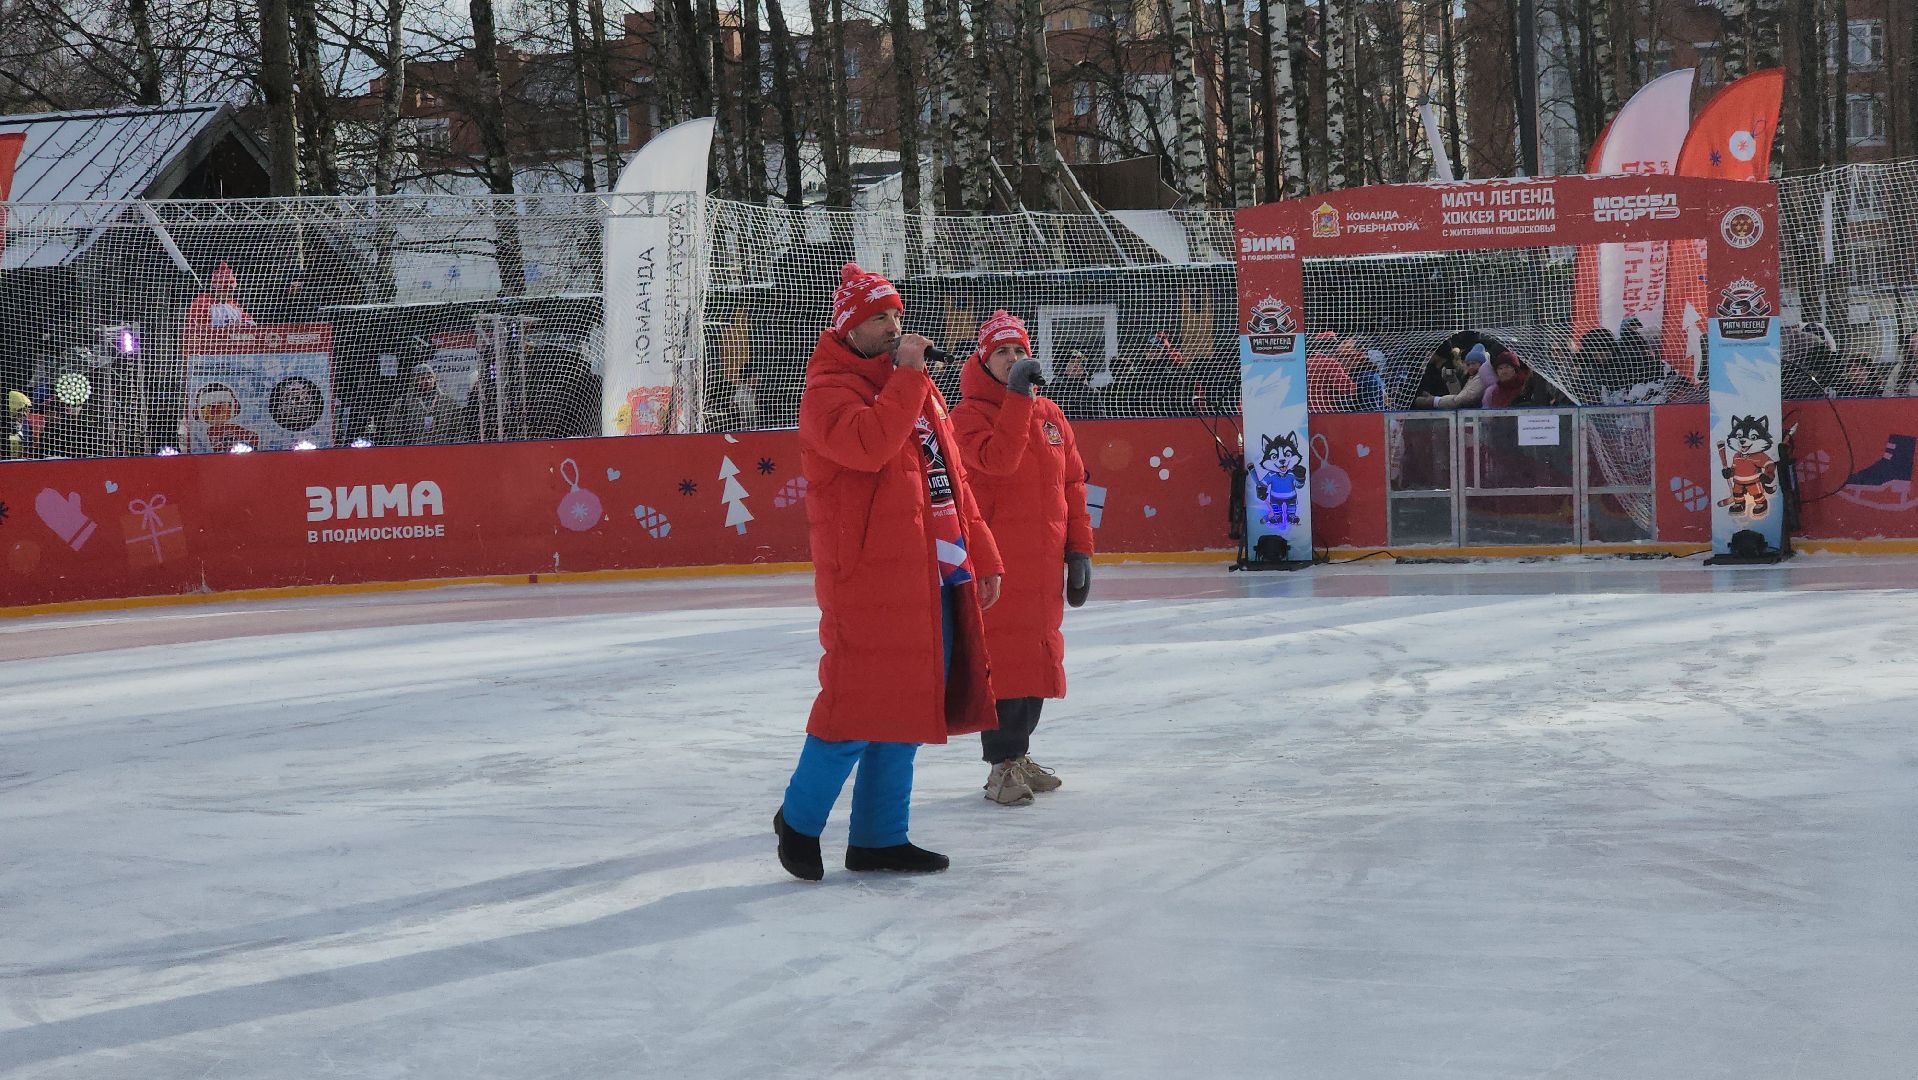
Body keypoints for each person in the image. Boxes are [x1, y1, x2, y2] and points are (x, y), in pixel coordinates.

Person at [773, 262, 1005, 881]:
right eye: (879, 318)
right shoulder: (827, 390)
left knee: (908, 703)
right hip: (867, 578)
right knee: (854, 709)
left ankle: (879, 837)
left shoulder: (915, 385)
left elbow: (951, 481)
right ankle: (797, 822)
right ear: (849, 326)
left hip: (932, 570)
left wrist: (982, 554)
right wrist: (906, 376)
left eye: (895, 315)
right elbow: (869, 445)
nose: (893, 327)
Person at [951, 310, 1095, 806]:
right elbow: (997, 460)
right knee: (1004, 664)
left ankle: (1018, 756)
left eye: (1018, 352)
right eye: (1001, 354)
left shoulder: (1052, 416)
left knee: (1035, 660)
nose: (1012, 360)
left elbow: (1074, 485)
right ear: (984, 361)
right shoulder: (966, 417)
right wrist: (1016, 398)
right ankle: (1000, 766)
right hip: (996, 566)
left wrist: (1080, 551)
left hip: (1044, 564)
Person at [381, 363, 466, 445]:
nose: (427, 381)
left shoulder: (448, 401)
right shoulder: (403, 402)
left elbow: (460, 428)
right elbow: (391, 429)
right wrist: (403, 449)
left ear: (435, 378)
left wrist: (453, 449)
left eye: (430, 377)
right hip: (413, 452)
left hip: (443, 452)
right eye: (422, 378)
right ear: (414, 381)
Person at [1481, 348, 1569, 408]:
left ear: (1515, 369)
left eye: (1507, 367)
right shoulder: (1493, 391)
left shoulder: (1525, 385)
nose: (1504, 371)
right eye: (1500, 368)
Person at [1414, 342, 1489, 409]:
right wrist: (1452, 381)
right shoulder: (1470, 377)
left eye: (1474, 363)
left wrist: (1434, 400)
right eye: (1468, 364)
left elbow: (1460, 400)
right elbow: (1458, 395)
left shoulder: (1480, 377)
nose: (1470, 367)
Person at [185, 262, 253, 333]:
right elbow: (195, 327)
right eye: (226, 289)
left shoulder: (233, 304)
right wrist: (223, 330)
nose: (230, 293)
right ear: (217, 289)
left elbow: (251, 323)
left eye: (231, 290)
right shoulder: (202, 302)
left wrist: (241, 326)